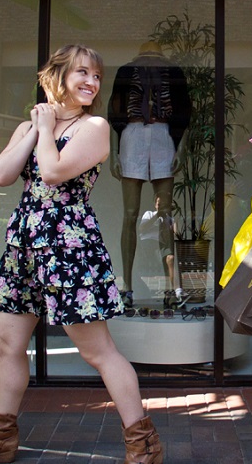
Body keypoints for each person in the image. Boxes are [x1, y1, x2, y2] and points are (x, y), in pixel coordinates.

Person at [0, 45, 162, 464]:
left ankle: (143, 445)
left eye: (97, 76)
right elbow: (1, 174)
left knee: (97, 351)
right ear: (57, 77)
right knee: (10, 343)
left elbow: (52, 170)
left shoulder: (96, 126)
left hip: (68, 244)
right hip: (25, 243)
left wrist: (45, 129)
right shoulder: (36, 123)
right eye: (82, 73)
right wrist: (35, 126)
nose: (92, 82)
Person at [108, 40, 191, 308]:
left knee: (165, 213)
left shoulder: (174, 73)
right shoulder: (125, 72)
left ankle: (170, 286)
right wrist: (114, 153)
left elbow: (184, 113)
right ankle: (127, 286)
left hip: (163, 135)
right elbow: (115, 113)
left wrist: (182, 147)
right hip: (131, 136)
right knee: (130, 214)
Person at [139, 195, 186, 306]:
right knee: (166, 257)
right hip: (148, 243)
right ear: (155, 205)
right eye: (158, 204)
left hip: (162, 245)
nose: (160, 206)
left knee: (170, 258)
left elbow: (176, 234)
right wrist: (157, 217)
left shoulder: (169, 218)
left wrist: (174, 221)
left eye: (162, 204)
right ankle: (170, 294)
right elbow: (141, 229)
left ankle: (177, 292)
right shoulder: (149, 214)